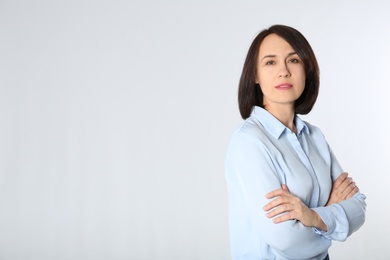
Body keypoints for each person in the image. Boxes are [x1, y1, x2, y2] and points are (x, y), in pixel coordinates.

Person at [224, 25, 366, 260]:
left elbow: (358, 207)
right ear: (255, 75)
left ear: (306, 69)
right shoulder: (249, 142)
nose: (284, 71)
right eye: (270, 62)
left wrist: (313, 217)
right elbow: (286, 241)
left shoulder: (315, 137)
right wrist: (331, 221)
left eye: (294, 60)